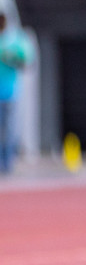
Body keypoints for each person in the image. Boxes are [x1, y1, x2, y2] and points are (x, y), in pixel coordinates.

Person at [0, 13, 34, 174]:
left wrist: (11, 58)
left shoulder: (13, 41)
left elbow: (26, 62)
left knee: (10, 130)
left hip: (9, 93)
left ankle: (7, 163)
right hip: (8, 93)